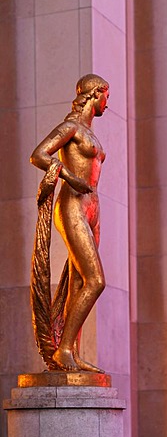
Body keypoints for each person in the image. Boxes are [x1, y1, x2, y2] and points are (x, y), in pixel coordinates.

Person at [30, 74, 109, 372]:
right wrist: (68, 176)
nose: (107, 103)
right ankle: (63, 348)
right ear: (94, 94)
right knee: (96, 280)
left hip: (92, 209)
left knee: (79, 282)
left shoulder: (91, 133)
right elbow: (38, 155)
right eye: (105, 96)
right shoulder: (71, 128)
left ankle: (71, 353)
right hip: (72, 205)